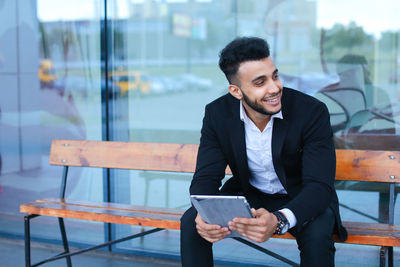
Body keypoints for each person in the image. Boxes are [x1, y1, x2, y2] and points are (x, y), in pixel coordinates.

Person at [180, 37, 347, 267]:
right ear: (236, 91)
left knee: (318, 233)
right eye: (260, 82)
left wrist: (279, 220)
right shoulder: (217, 114)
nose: (275, 87)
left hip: (302, 195)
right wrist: (203, 212)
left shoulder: (311, 111)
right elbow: (205, 177)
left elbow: (319, 186)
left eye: (275, 76)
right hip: (250, 194)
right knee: (192, 222)